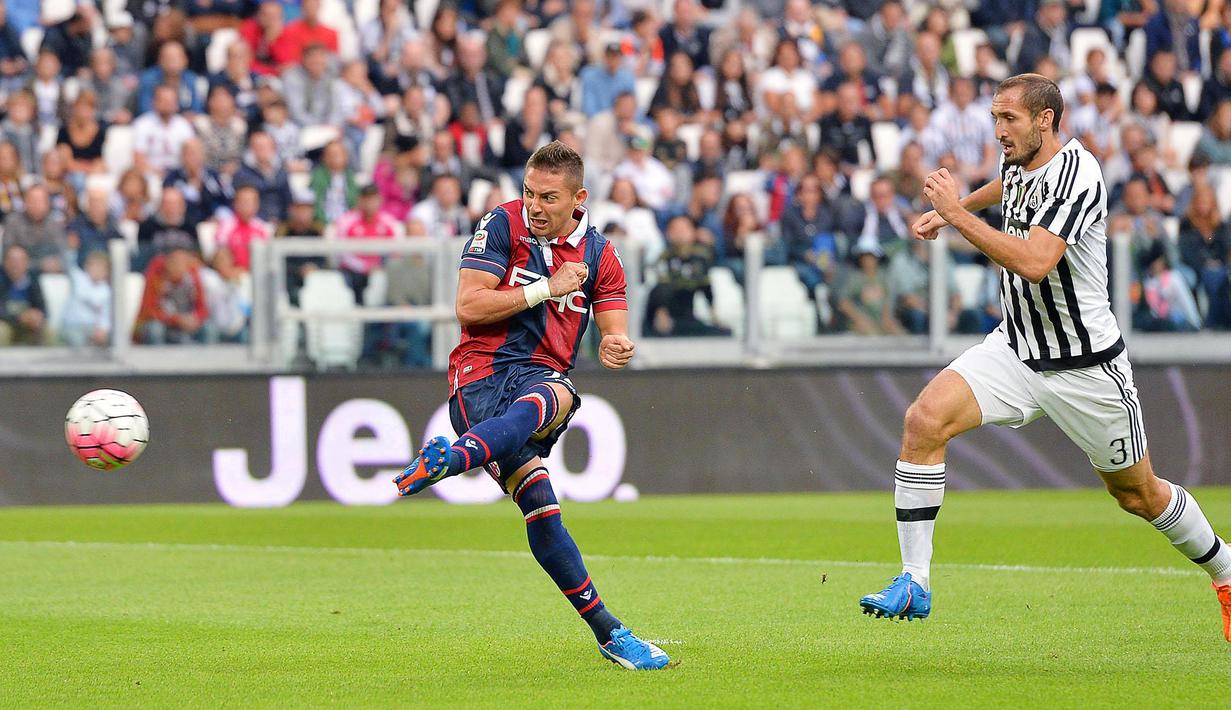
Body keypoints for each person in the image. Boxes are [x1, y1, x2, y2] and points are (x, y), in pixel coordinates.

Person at [858, 74, 1231, 642]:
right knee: (923, 420)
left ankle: (1226, 574)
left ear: (1046, 120)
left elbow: (1035, 261)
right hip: (1016, 348)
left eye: (1010, 119)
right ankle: (915, 580)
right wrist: (957, 206)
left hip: (1084, 367)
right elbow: (1006, 188)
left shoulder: (1080, 173)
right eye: (995, 118)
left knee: (1139, 494)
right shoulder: (1018, 160)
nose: (1000, 130)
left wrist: (956, 216)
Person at [392, 141, 669, 670]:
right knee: (560, 393)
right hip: (481, 376)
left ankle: (610, 634)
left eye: (548, 197)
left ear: (578, 198)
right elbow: (468, 306)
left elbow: (614, 330)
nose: (535, 206)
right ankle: (450, 460)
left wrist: (616, 345)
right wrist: (546, 288)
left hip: (525, 390)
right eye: (528, 193)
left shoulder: (600, 255)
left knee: (543, 512)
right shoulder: (501, 225)